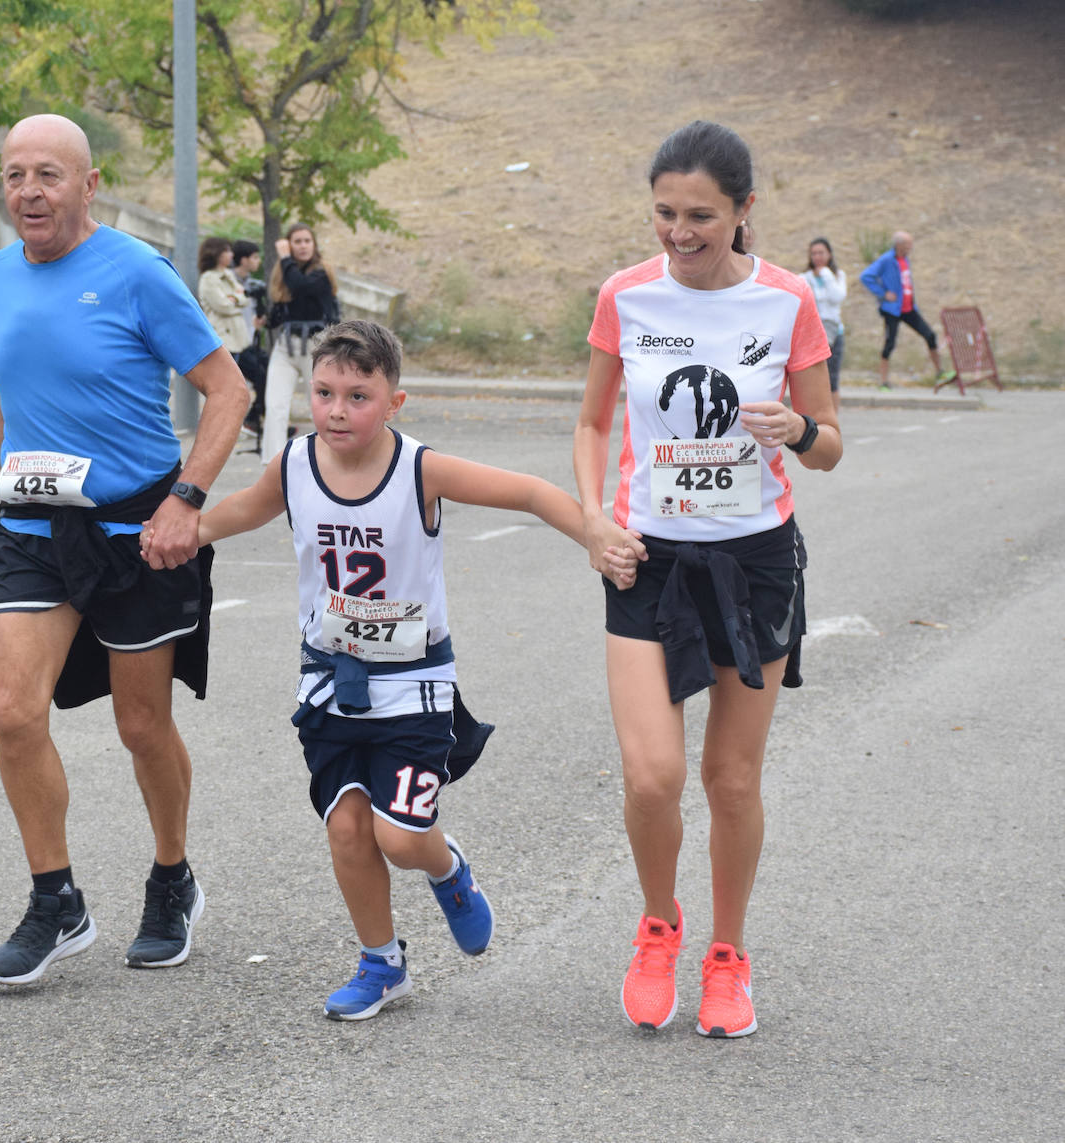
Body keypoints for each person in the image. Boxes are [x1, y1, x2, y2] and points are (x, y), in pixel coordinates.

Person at [193, 319, 584, 1021]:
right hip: (328, 680)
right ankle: (382, 964)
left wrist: (598, 534)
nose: (337, 410)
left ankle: (447, 868)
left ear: (395, 403)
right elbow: (243, 511)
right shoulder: (292, 463)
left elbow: (528, 492)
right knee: (346, 828)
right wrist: (178, 529)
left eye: (359, 396)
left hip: (414, 682)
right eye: (323, 392)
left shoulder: (418, 469)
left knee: (400, 836)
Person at [0, 114, 251, 986]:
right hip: (33, 527)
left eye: (48, 174)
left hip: (137, 529)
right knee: (11, 710)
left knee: (141, 725)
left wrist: (187, 501)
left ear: (87, 184)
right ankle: (56, 900)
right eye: (14, 176)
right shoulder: (0, 276)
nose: (29, 191)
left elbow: (228, 392)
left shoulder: (137, 275)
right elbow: (10, 377)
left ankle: (172, 877)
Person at [572, 121, 842, 1039]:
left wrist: (797, 433)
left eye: (702, 217)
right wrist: (594, 518)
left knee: (730, 779)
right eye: (664, 214)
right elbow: (593, 426)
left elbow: (831, 442)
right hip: (644, 557)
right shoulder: (625, 295)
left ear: (744, 211)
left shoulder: (788, 300)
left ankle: (728, 956)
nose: (680, 234)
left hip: (753, 563)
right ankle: (659, 928)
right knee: (653, 776)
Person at [260, 223, 339, 463]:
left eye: (307, 241)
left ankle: (329, 457)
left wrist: (284, 257)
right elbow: (279, 313)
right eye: (297, 241)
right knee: (275, 407)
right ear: (290, 244)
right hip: (286, 346)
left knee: (320, 404)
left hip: (316, 346)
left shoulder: (321, 272)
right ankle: (273, 464)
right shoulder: (284, 275)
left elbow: (301, 287)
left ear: (314, 245)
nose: (303, 246)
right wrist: (265, 317)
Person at [858, 230, 955, 389]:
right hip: (892, 310)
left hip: (909, 308)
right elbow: (866, 276)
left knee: (930, 335)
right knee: (890, 344)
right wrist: (883, 294)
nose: (911, 247)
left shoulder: (905, 260)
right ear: (899, 245)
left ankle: (940, 373)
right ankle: (883, 382)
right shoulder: (887, 260)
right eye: (908, 244)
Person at [197, 236, 259, 434]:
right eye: (227, 250)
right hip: (223, 338)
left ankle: (234, 424)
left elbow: (243, 299)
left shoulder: (227, 275)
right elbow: (222, 305)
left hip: (238, 338)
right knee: (223, 386)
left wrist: (235, 299)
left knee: (238, 384)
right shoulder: (208, 278)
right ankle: (216, 427)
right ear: (216, 253)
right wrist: (236, 300)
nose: (231, 255)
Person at [801, 237, 847, 410]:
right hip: (813, 334)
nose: (817, 257)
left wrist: (826, 274)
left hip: (835, 333)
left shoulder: (837, 275)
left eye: (821, 253)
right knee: (813, 378)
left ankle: (833, 421)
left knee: (832, 378)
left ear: (829, 254)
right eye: (814, 253)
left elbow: (837, 297)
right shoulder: (804, 278)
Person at [231, 238, 270, 437]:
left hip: (249, 340)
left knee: (270, 369)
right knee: (261, 375)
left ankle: (259, 419)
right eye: (254, 257)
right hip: (234, 344)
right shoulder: (227, 281)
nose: (258, 261)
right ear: (244, 259)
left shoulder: (255, 285)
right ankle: (252, 419)